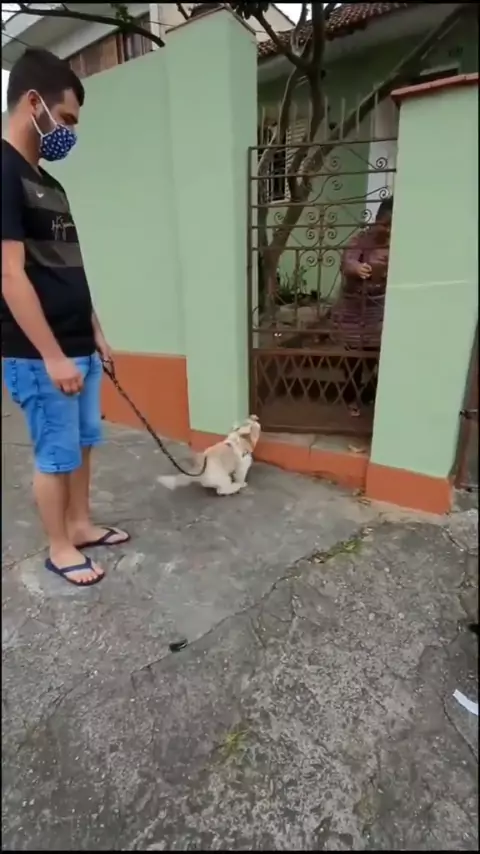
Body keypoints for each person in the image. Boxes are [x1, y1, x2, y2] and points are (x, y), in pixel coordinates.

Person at [2, 48, 130, 587]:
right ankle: (59, 547)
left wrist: (96, 331)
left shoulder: (51, 184)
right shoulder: (3, 171)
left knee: (82, 443)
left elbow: (67, 267)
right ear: (34, 103)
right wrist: (53, 356)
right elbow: (9, 274)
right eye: (66, 118)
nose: (69, 133)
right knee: (55, 453)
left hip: (78, 342)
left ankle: (79, 524)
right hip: (40, 354)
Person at [330, 197, 393, 415]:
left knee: (375, 355)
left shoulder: (397, 242)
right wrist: (357, 268)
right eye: (385, 224)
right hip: (353, 306)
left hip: (378, 308)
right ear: (377, 219)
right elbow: (347, 261)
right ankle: (351, 399)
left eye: (392, 225)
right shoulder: (362, 239)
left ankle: (368, 394)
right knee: (352, 357)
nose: (388, 229)